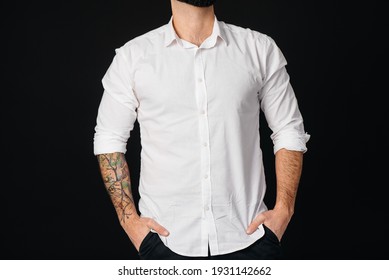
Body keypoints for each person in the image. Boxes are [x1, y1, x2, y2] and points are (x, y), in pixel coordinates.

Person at [93, 0, 310, 260]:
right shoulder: (133, 57)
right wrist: (131, 223)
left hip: (250, 239)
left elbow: (289, 128)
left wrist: (284, 211)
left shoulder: (258, 49)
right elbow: (109, 139)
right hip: (165, 243)